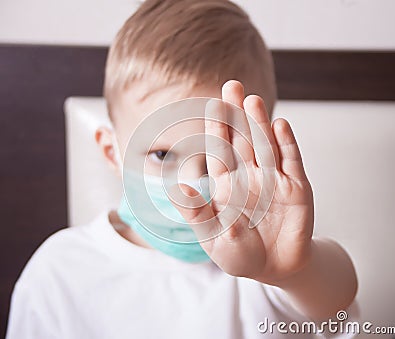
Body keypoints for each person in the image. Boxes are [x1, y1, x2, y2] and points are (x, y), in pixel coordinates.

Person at [6, 0, 358, 338]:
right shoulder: (61, 270)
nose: (192, 184)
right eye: (162, 155)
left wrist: (291, 270)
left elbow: (334, 298)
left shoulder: (266, 259)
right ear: (113, 153)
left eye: (222, 157)